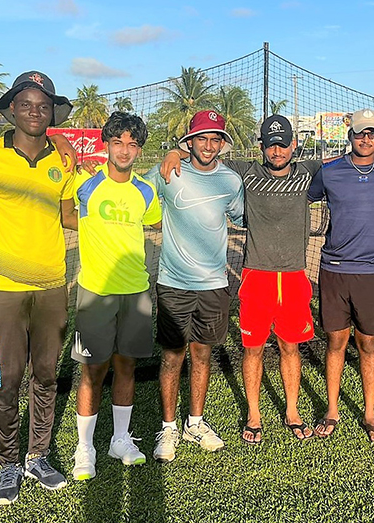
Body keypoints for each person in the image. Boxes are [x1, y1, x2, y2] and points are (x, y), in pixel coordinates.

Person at [160, 114, 374, 443]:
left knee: (290, 347)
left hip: (293, 276)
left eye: (283, 144)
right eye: (271, 145)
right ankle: (254, 416)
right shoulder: (246, 173)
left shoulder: (308, 173)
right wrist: (177, 153)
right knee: (253, 349)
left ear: (294, 145)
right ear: (262, 146)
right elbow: (207, 154)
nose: (277, 151)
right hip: (256, 275)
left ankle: (292, 412)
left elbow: (347, 159)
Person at [0, 71, 76, 504]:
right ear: (12, 108)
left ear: (52, 112)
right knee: (5, 380)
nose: (34, 111)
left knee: (46, 377)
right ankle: (9, 463)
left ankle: (38, 456)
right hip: (4, 291)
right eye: (26, 103)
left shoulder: (62, 162)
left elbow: (70, 216)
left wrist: (113, 220)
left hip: (52, 287)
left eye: (43, 104)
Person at [145, 110, 244, 463]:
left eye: (215, 139)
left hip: (214, 284)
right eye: (201, 138)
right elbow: (134, 189)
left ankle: (195, 423)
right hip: (173, 282)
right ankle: (168, 427)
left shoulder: (231, 181)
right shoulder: (169, 171)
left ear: (222, 144)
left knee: (203, 355)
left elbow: (242, 216)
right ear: (189, 142)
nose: (208, 145)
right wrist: (170, 154)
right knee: (173, 357)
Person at [70, 112, 162, 479]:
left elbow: (155, 220)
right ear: (106, 144)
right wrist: (64, 144)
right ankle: (85, 448)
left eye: (132, 144)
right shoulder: (85, 185)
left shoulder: (145, 190)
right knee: (93, 371)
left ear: (139, 149)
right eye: (118, 142)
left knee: (127, 366)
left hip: (136, 291)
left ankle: (120, 439)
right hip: (95, 292)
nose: (125, 150)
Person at [307, 109, 374, 443]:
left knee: (369, 344)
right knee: (335, 341)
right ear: (350, 135)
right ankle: (332, 411)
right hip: (334, 270)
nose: (366, 140)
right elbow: (301, 194)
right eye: (361, 134)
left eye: (373, 134)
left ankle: (370, 414)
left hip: (373, 273)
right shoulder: (330, 171)